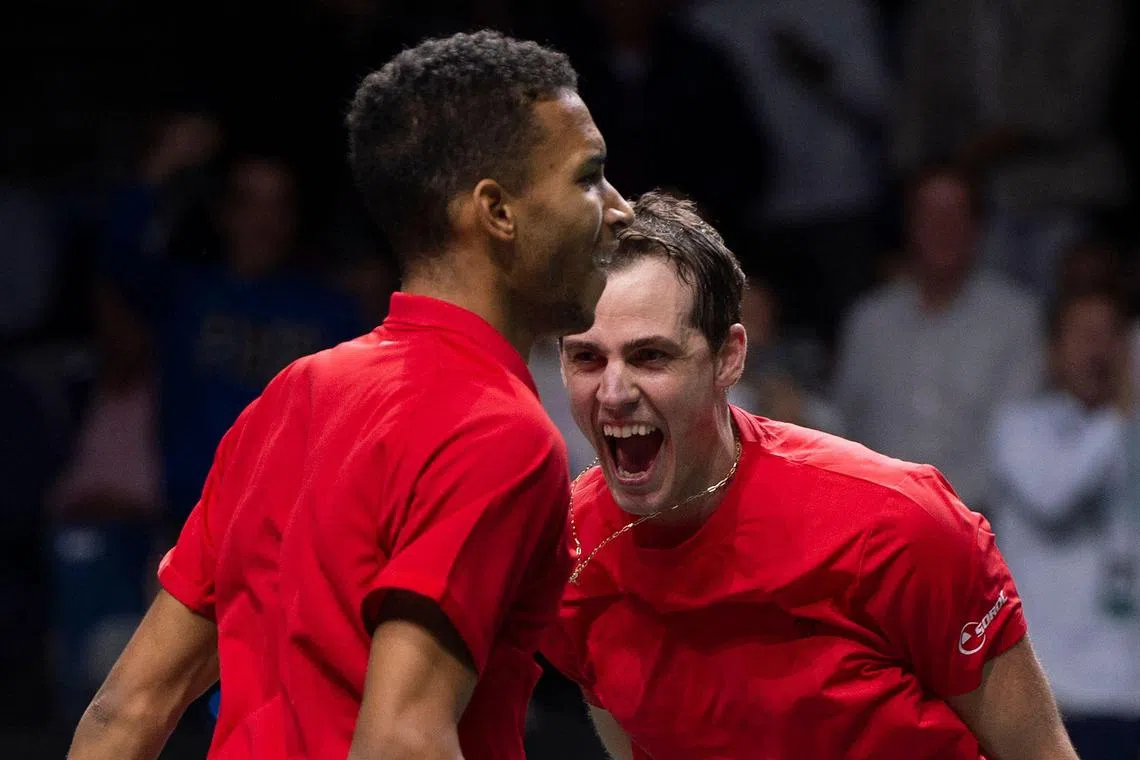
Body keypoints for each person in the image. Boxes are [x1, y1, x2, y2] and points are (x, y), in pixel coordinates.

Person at [67, 30, 631, 760]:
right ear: (497, 212)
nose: (619, 207)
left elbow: (124, 713)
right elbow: (401, 742)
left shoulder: (294, 393)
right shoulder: (502, 433)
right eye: (590, 177)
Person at [542, 189, 1078, 759]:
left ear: (729, 358)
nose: (615, 393)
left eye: (651, 356)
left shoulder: (901, 523)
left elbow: (1040, 752)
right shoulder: (562, 552)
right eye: (587, 358)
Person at [988, 288, 1140, 760]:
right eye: (1084, 335)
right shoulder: (1020, 427)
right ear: (1053, 351)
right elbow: (1054, 497)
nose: (1099, 349)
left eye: (1110, 335)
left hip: (1130, 695)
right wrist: (1120, 412)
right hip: (1054, 701)